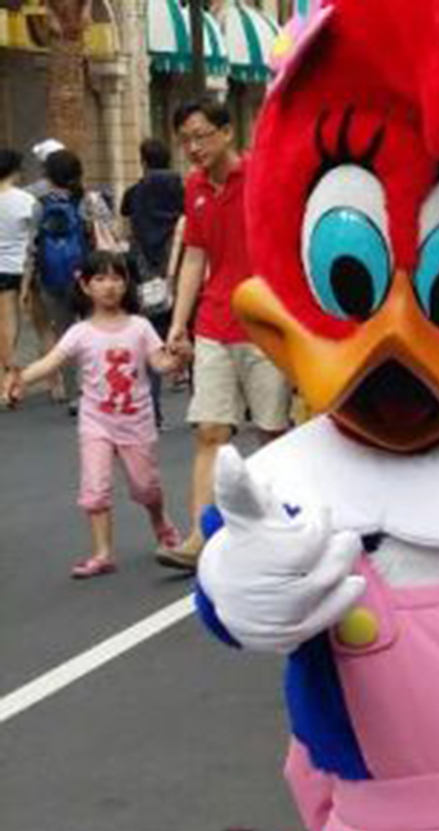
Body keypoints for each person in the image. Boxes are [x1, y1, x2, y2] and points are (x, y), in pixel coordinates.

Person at [159, 96, 292, 571]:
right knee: (210, 429)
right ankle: (199, 535)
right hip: (214, 321)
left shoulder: (261, 175)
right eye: (185, 141)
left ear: (226, 132)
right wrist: (179, 322)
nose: (193, 148)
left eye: (201, 135)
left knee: (272, 431)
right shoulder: (193, 187)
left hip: (264, 322)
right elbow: (195, 255)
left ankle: (284, 523)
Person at [6, 251, 183, 576]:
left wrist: (179, 357)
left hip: (136, 420)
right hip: (96, 422)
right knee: (95, 488)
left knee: (145, 488)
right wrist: (19, 378)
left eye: (116, 278)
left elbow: (161, 364)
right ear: (86, 287)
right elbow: (51, 362)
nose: (109, 286)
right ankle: (102, 554)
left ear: (126, 283)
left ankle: (161, 524)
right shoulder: (80, 332)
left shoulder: (140, 326)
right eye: (99, 279)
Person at [27, 148, 112, 412]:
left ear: (49, 177)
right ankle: (101, 388)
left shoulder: (40, 204)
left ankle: (76, 396)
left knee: (65, 335)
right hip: (88, 276)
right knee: (97, 330)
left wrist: (28, 280)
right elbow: (108, 232)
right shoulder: (90, 200)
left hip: (52, 277)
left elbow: (32, 244)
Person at [121, 136, 185, 427]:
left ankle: (153, 411)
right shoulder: (182, 188)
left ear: (143, 160)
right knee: (191, 332)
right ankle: (204, 406)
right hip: (184, 269)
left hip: (148, 275)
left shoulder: (135, 193)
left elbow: (125, 222)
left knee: (152, 338)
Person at [0, 148, 34, 401]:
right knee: (10, 326)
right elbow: (34, 239)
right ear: (15, 170)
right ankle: (7, 384)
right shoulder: (26, 200)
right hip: (14, 267)